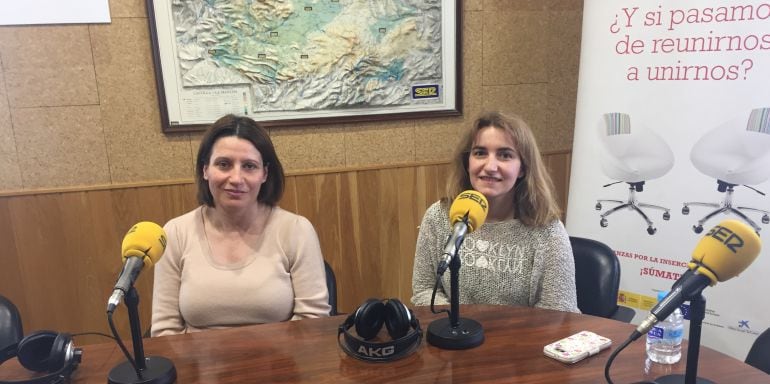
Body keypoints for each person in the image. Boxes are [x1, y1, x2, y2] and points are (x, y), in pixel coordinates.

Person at [151, 115, 330, 336]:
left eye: (249, 166)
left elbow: (313, 320)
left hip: (280, 365)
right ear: (205, 169)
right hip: (198, 369)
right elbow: (164, 329)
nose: (236, 178)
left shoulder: (296, 230)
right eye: (223, 164)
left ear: (264, 174)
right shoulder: (175, 233)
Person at [411, 111, 579, 313]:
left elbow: (559, 310)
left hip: (523, 340)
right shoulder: (438, 216)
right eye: (480, 153)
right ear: (468, 161)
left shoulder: (547, 230)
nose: (490, 167)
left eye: (505, 155)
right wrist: (464, 326)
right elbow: (424, 290)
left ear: (523, 168)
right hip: (456, 336)